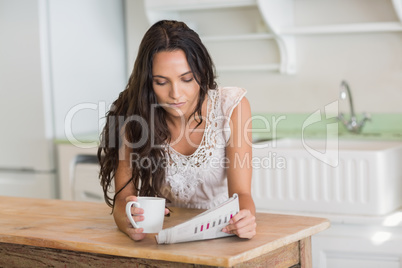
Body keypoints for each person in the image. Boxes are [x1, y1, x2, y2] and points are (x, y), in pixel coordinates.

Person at [98, 20, 256, 241]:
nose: (175, 94)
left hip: (221, 232)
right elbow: (123, 198)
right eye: (161, 82)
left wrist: (245, 219)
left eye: (186, 79)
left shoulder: (231, 107)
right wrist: (128, 220)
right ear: (147, 83)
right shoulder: (134, 116)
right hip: (166, 234)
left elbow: (243, 195)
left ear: (201, 72)